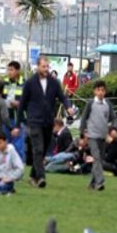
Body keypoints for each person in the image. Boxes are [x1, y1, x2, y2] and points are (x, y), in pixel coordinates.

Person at [18, 56, 74, 188]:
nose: (46, 69)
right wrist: (19, 122)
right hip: (34, 121)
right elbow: (22, 103)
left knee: (42, 150)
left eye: (47, 66)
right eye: (43, 66)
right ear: (38, 67)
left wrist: (68, 107)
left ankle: (32, 176)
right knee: (38, 148)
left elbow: (62, 97)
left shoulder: (54, 82)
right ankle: (41, 177)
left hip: (49, 121)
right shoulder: (30, 82)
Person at [79, 80, 116, 191]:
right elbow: (84, 118)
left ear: (105, 92)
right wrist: (82, 133)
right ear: (94, 91)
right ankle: (100, 181)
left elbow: (113, 118)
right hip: (92, 135)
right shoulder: (91, 103)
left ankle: (93, 183)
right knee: (96, 157)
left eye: (103, 90)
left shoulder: (107, 104)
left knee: (99, 159)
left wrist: (113, 128)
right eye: (98, 90)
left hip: (103, 135)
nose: (100, 93)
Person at [3, 60, 26, 160]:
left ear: (18, 71)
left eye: (11, 70)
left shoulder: (24, 83)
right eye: (8, 70)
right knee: (6, 142)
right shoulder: (5, 82)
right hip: (7, 117)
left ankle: (20, 163)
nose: (9, 72)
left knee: (18, 144)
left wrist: (19, 104)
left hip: (19, 118)